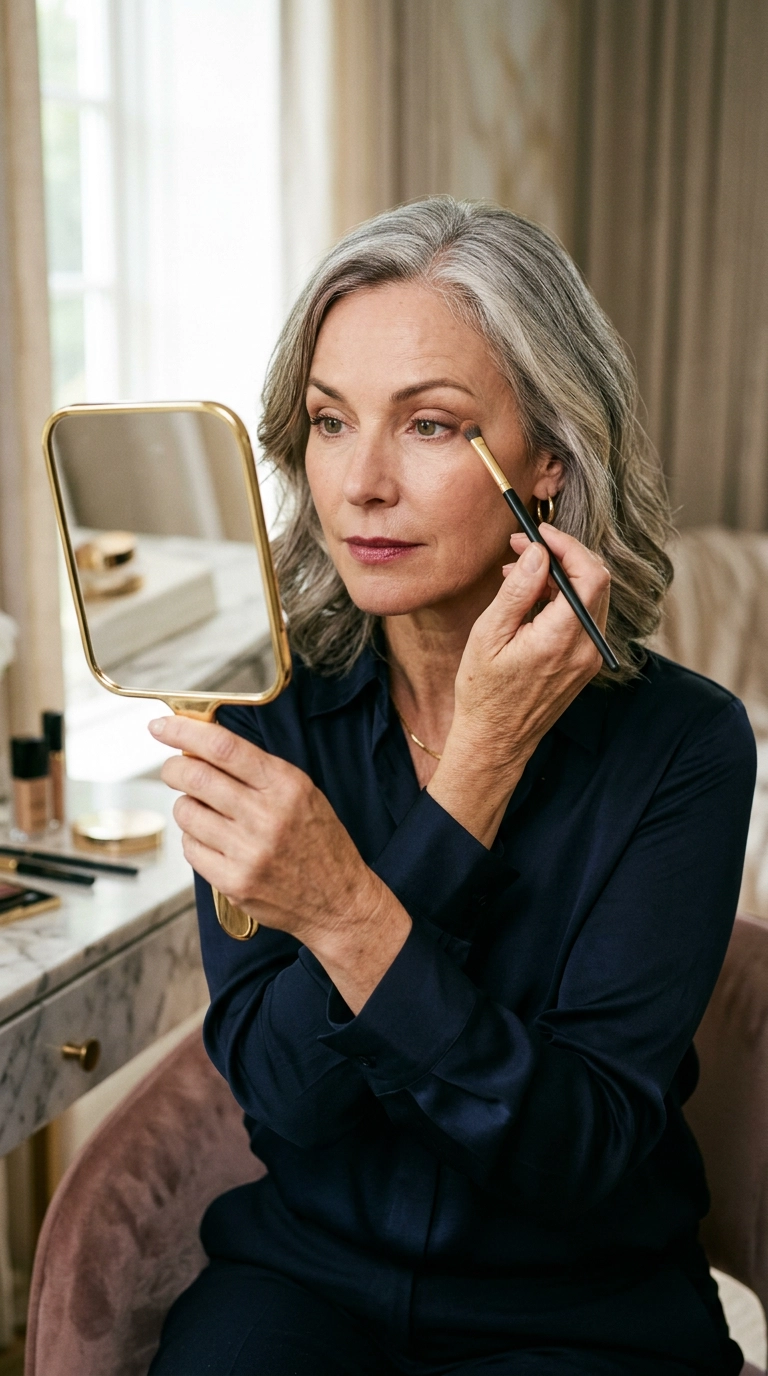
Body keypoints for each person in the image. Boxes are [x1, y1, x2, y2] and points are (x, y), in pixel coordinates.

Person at [147, 198, 755, 1375]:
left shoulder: (687, 746)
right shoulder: (265, 707)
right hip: (304, 1277)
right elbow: (282, 1100)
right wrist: (456, 805)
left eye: (430, 424)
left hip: (582, 1306)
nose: (363, 482)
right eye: (330, 421)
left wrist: (360, 897)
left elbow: (576, 1155)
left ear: (548, 460)